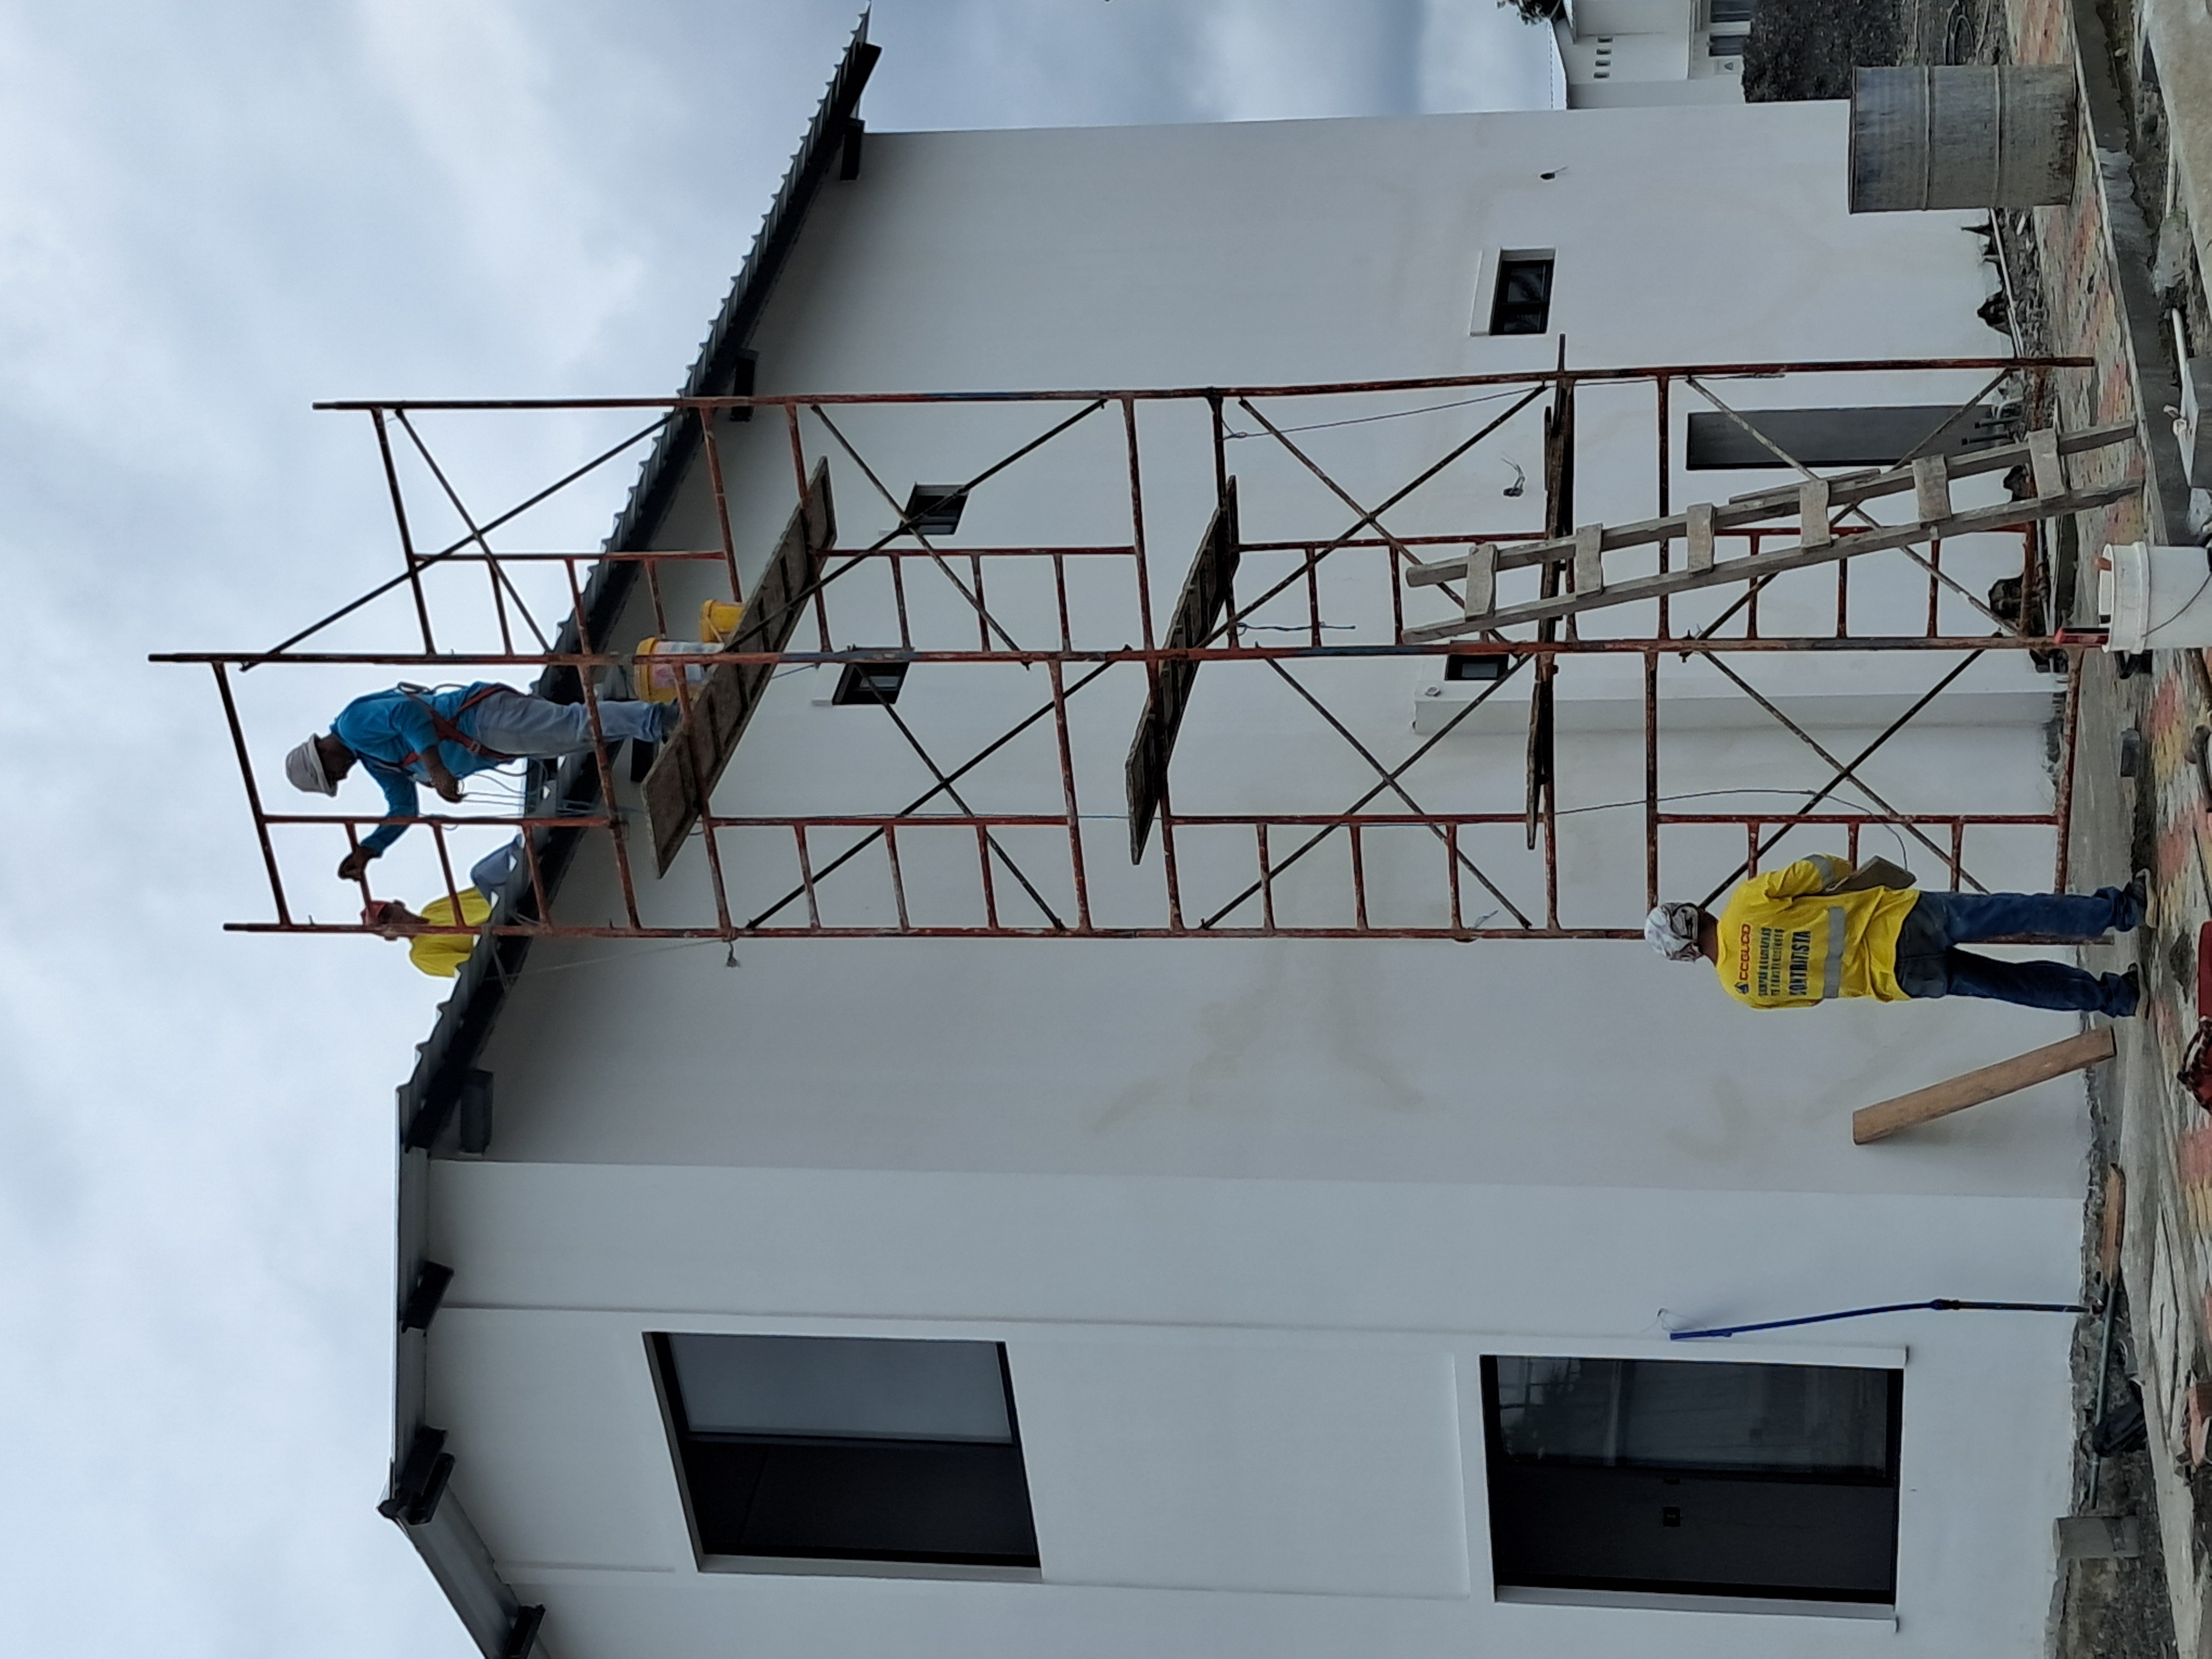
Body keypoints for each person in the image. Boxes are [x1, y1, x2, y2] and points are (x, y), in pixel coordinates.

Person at [1646, 854, 2144, 1017]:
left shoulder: (1742, 991)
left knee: (2008, 986)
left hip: (1901, 978)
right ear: (1693, 910)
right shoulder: (1744, 905)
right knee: (2016, 913)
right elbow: (1819, 869)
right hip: (1902, 918)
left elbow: (1813, 996)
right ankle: (2122, 909)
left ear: (1686, 956)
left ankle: (2117, 997)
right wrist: (1853, 879)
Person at [284, 683, 674, 880]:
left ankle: (659, 720)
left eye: (332, 774)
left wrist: (436, 769)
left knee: (575, 726)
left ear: (324, 755)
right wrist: (370, 849)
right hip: (489, 738)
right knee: (576, 733)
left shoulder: (353, 725)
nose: (341, 776)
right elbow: (403, 808)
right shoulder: (374, 761)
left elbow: (406, 714)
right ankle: (654, 722)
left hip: (478, 718)